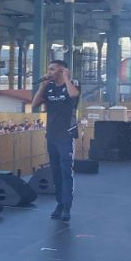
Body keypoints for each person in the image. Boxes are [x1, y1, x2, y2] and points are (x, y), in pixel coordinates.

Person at [31, 59, 81, 221]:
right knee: (56, 173)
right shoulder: (49, 87)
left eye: (53, 69)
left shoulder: (72, 84)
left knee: (66, 173)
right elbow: (34, 104)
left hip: (66, 135)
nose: (49, 72)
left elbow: (74, 95)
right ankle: (59, 203)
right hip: (51, 135)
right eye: (49, 69)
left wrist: (66, 77)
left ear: (62, 71)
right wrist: (43, 86)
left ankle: (67, 206)